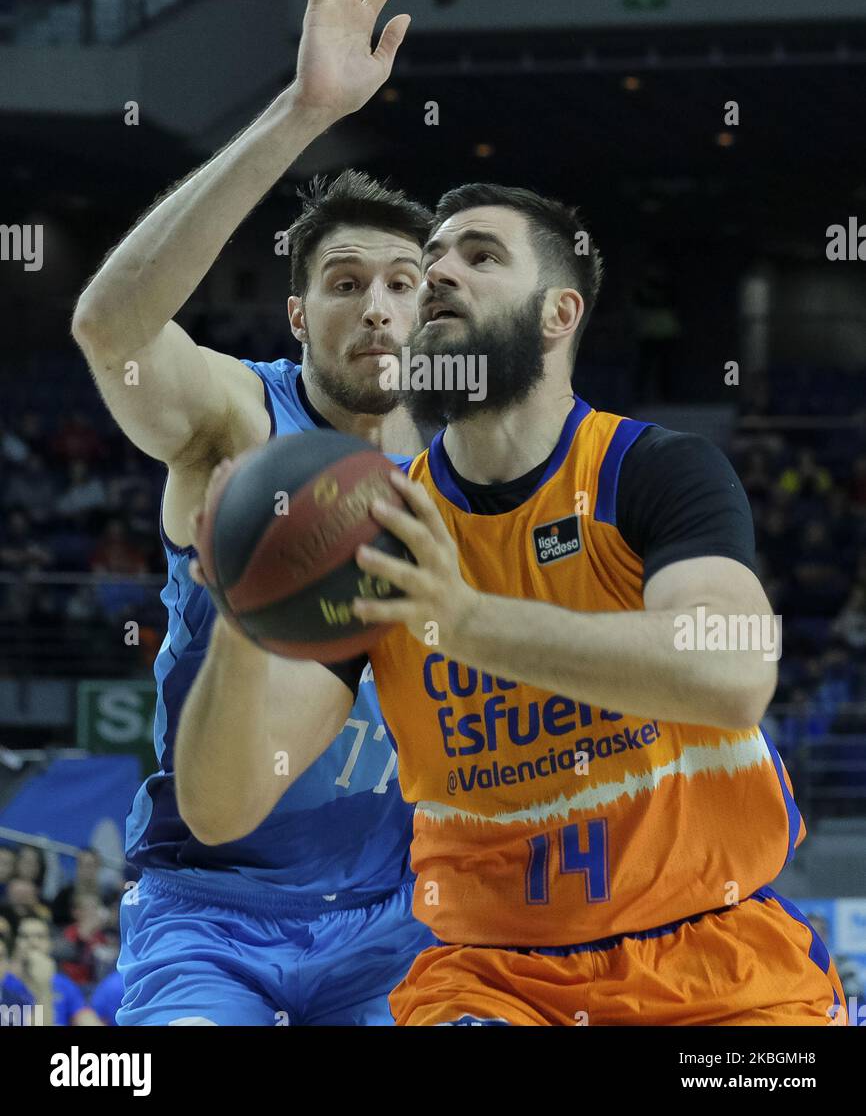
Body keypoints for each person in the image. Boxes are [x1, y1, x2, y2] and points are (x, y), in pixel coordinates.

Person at [199, 182, 847, 1025]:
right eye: (430, 260)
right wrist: (243, 614)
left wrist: (465, 624)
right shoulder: (379, 528)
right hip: (492, 981)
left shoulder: (651, 471)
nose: (437, 275)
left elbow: (731, 671)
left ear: (558, 313)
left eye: (480, 256)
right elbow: (223, 807)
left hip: (718, 965)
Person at [72, 0, 434, 1026]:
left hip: (395, 916)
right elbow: (109, 326)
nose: (374, 302)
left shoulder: (479, 466)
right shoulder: (240, 416)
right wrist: (303, 114)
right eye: (342, 280)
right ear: (296, 312)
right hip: (211, 907)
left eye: (401, 282)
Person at [13, 915, 101, 1025]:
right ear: (15, 943)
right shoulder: (6, 983)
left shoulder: (63, 984)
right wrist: (44, 987)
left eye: (40, 937)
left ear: (50, 944)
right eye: (24, 936)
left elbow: (86, 1018)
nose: (32, 942)